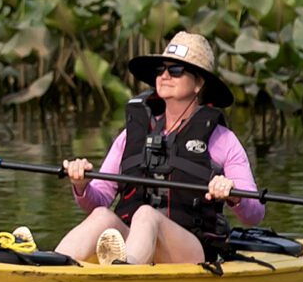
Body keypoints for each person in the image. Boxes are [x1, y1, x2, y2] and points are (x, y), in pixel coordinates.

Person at [55, 31, 265, 265]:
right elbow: (98, 199)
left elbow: (254, 214)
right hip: (138, 243)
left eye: (175, 70)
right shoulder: (130, 135)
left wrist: (233, 195)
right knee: (102, 216)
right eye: (161, 70)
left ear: (198, 83)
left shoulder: (223, 140)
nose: (164, 76)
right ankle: (49, 264)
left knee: (146, 215)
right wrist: (81, 185)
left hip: (191, 249)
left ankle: (124, 274)